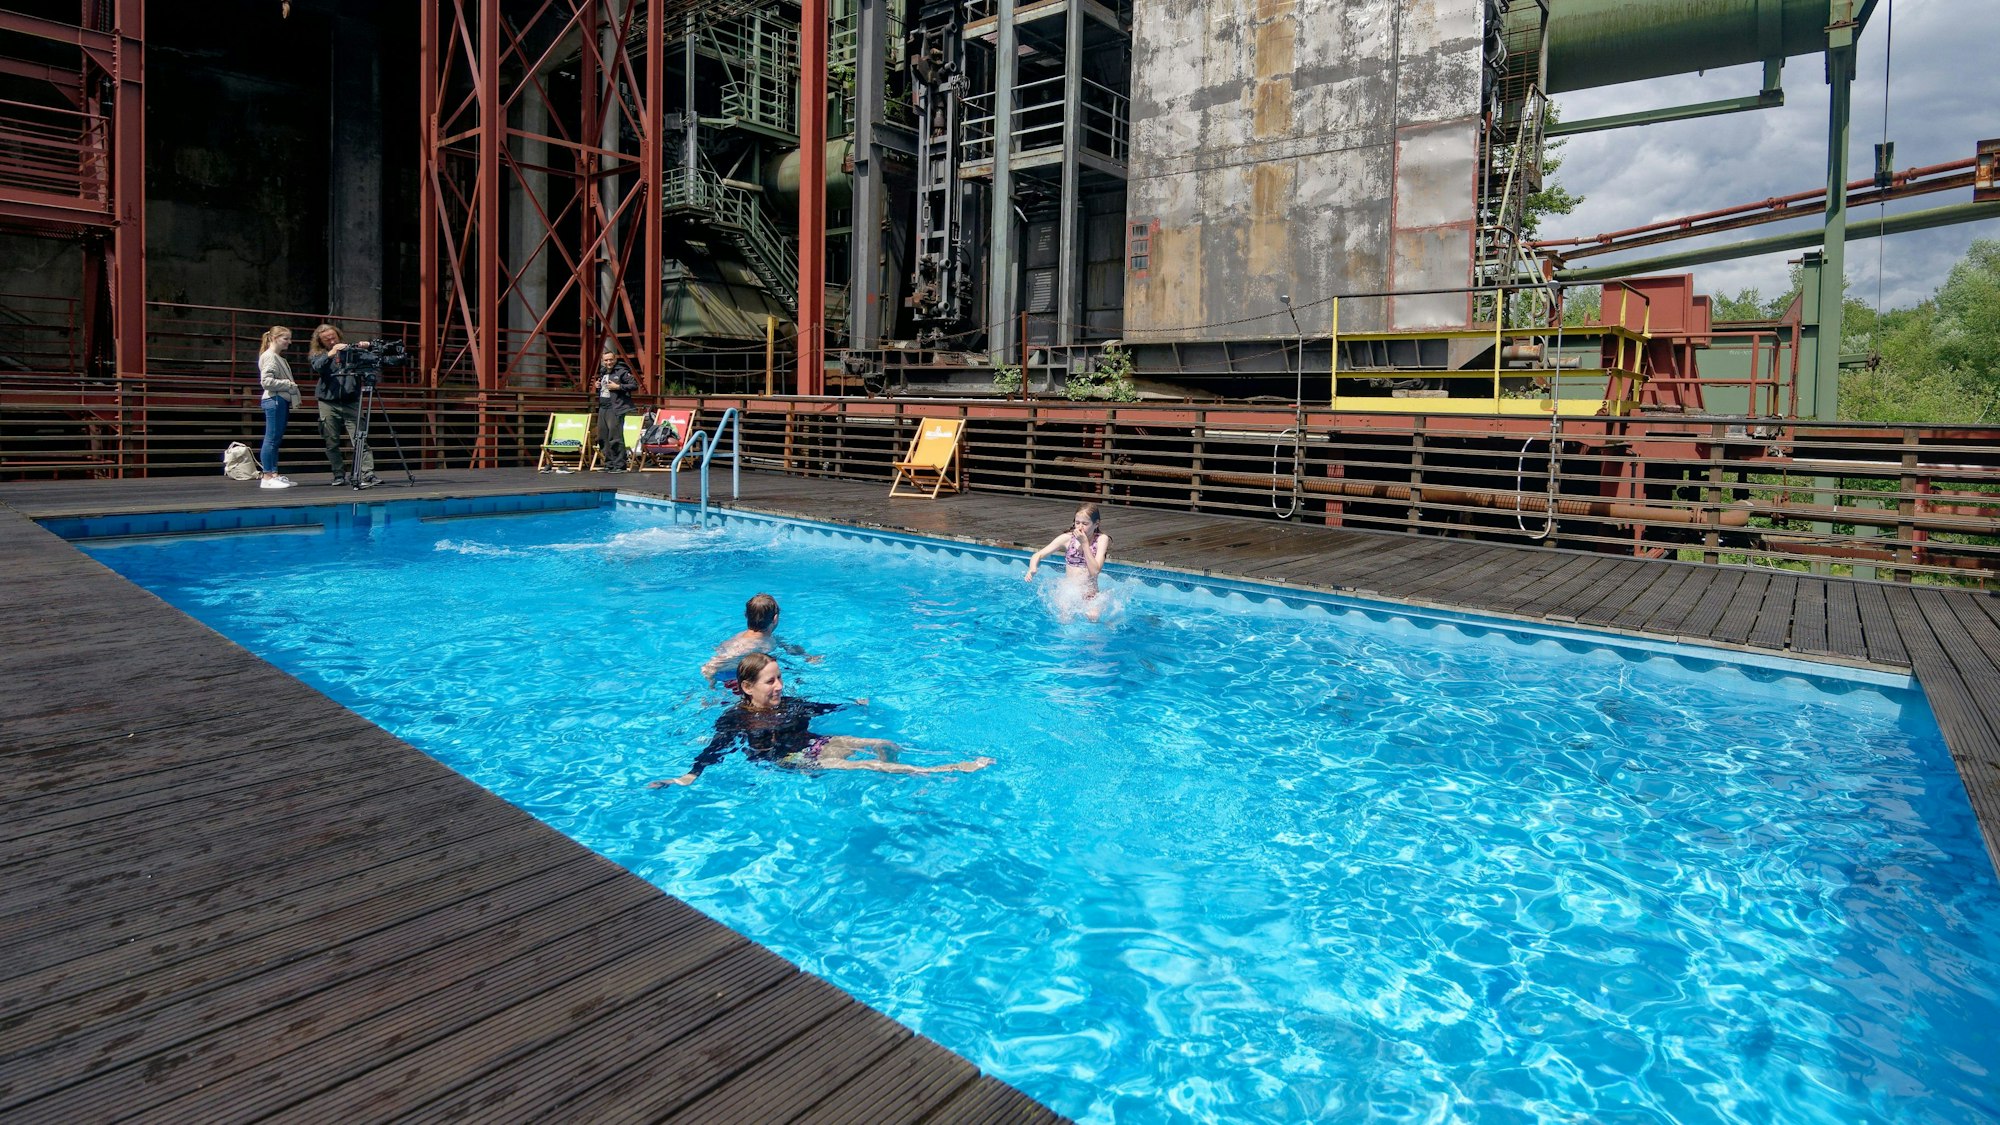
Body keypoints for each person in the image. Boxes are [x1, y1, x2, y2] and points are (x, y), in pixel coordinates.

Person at [649, 652, 994, 787]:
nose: (779, 686)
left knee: (883, 744)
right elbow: (717, 749)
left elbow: (820, 708)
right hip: (786, 759)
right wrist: (689, 775)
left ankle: (896, 775)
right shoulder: (736, 718)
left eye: (780, 678)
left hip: (812, 743)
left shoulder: (790, 703)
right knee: (863, 766)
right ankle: (943, 770)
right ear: (747, 687)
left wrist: (853, 704)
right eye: (771, 682)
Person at [309, 323, 378, 488]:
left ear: (339, 336)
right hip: (328, 401)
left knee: (360, 438)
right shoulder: (318, 354)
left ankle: (367, 474)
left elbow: (373, 360)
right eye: (327, 340)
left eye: (333, 337)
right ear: (321, 342)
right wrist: (331, 354)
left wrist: (367, 347)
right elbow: (317, 367)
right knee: (331, 440)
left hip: (351, 401)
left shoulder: (351, 351)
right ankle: (338, 474)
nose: (332, 341)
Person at [701, 593, 821, 686]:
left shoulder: (767, 638)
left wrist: (808, 656)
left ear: (746, 616)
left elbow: (788, 647)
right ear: (775, 618)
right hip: (732, 676)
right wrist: (711, 686)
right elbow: (709, 667)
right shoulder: (749, 644)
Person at [1024, 503, 1112, 619]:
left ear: (1096, 524)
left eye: (1085, 524)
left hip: (1090, 595)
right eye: (1077, 523)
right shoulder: (1067, 538)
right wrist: (1032, 569)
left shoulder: (1101, 539)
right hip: (1070, 593)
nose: (1080, 527)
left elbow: (1095, 571)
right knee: (1065, 618)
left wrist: (1085, 543)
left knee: (1093, 616)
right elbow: (1038, 555)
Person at [255, 325, 300, 490]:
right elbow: (266, 381)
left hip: (280, 400)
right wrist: (287, 384)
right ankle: (266, 475)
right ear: (274, 338)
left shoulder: (278, 357)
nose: (289, 342)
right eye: (285, 338)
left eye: (289, 338)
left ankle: (273, 474)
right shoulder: (270, 357)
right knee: (271, 439)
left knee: (276, 439)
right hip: (274, 400)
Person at [595, 345, 638, 471]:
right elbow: (604, 388)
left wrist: (618, 387)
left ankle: (620, 464)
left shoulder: (622, 371)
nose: (608, 362)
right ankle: (609, 464)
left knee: (615, 437)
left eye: (610, 360)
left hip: (616, 408)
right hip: (603, 407)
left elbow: (634, 385)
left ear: (615, 360)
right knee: (602, 437)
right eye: (606, 360)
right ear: (603, 361)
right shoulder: (603, 372)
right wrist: (598, 386)